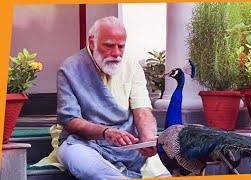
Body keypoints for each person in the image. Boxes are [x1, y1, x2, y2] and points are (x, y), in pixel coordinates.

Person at [56, 16, 170, 179]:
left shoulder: (131, 65)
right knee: (87, 164)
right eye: (109, 46)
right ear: (92, 42)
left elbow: (142, 111)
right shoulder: (69, 69)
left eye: (121, 46)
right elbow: (70, 120)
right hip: (83, 143)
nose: (116, 53)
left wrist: (147, 140)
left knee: (164, 171)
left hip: (129, 145)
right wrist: (106, 132)